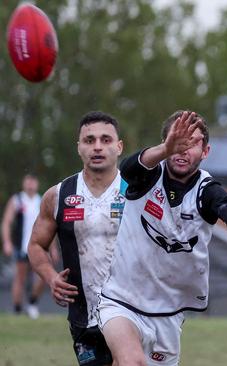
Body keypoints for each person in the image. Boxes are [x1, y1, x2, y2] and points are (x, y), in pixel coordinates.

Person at [98, 110, 227, 365]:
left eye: (192, 144)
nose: (183, 150)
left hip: (169, 308)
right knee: (132, 361)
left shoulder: (207, 191)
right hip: (121, 299)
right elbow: (128, 168)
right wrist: (164, 149)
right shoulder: (147, 176)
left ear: (206, 152)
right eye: (177, 142)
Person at [28, 111, 125, 366]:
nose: (97, 147)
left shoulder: (136, 192)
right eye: (89, 140)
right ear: (79, 147)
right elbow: (36, 245)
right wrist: (51, 277)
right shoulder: (58, 195)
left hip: (132, 311)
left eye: (105, 140)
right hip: (83, 315)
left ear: (119, 146)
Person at [2, 173, 55, 319]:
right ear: (24, 183)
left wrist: (54, 248)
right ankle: (18, 308)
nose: (31, 184)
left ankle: (32, 303)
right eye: (28, 181)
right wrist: (7, 242)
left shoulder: (41, 200)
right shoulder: (17, 200)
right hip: (21, 246)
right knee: (20, 277)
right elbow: (7, 222)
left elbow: (50, 226)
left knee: (43, 276)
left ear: (37, 184)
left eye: (33, 181)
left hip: (40, 246)